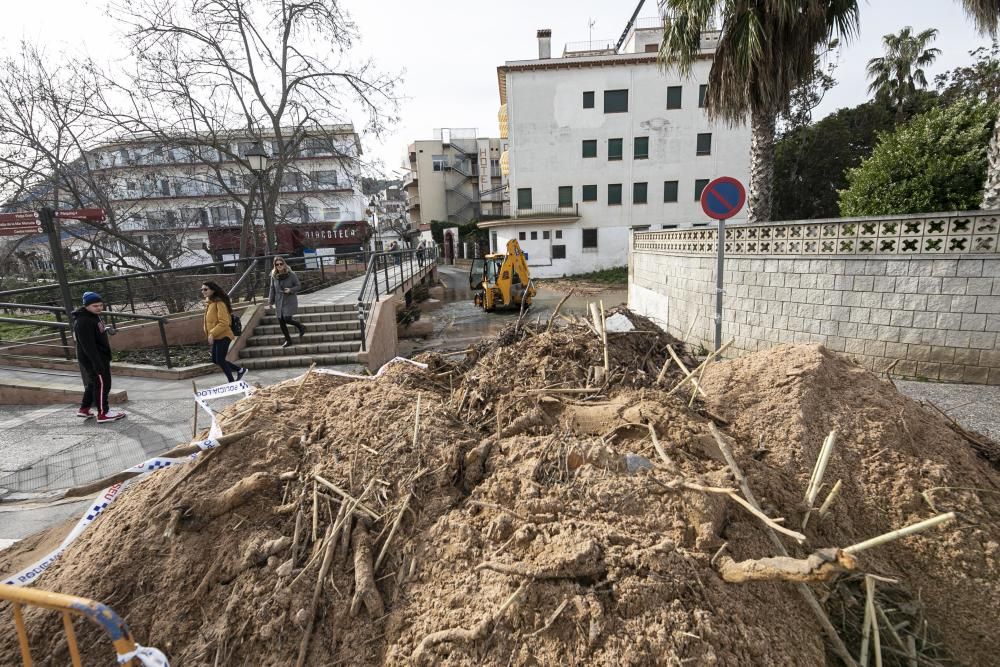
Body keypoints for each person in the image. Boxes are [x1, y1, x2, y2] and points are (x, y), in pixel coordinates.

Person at [73, 291, 125, 422]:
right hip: (94, 358)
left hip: (98, 356)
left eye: (101, 305)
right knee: (103, 384)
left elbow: (96, 331)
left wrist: (106, 329)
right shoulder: (83, 321)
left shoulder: (93, 316)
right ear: (86, 306)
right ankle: (103, 413)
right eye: (95, 305)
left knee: (93, 383)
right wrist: (97, 363)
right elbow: (88, 345)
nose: (99, 308)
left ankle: (84, 409)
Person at [202, 281, 247, 382]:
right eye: (202, 289)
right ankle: (240, 370)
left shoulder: (219, 303)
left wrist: (212, 333)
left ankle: (231, 382)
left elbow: (224, 322)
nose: (203, 291)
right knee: (215, 359)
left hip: (224, 335)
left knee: (220, 360)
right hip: (216, 336)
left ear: (213, 290)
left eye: (205, 289)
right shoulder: (210, 303)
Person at [268, 256, 305, 348]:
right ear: (275, 266)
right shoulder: (273, 275)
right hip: (279, 300)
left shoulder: (291, 274)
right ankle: (288, 340)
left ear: (284, 264)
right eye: (277, 264)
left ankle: (300, 326)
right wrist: (270, 301)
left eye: (281, 264)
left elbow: (298, 286)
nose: (279, 266)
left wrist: (290, 290)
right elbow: (272, 289)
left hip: (289, 300)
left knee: (287, 318)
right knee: (281, 321)